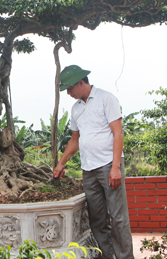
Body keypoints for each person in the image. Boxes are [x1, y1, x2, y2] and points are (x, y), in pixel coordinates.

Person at [53, 65, 134, 259]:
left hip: (108, 165)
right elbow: (75, 139)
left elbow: (118, 133)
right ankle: (108, 256)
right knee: (97, 219)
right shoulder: (76, 108)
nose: (69, 93)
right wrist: (61, 163)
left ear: (81, 82)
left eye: (70, 88)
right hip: (88, 169)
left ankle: (125, 257)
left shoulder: (106, 99)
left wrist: (115, 167)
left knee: (118, 217)